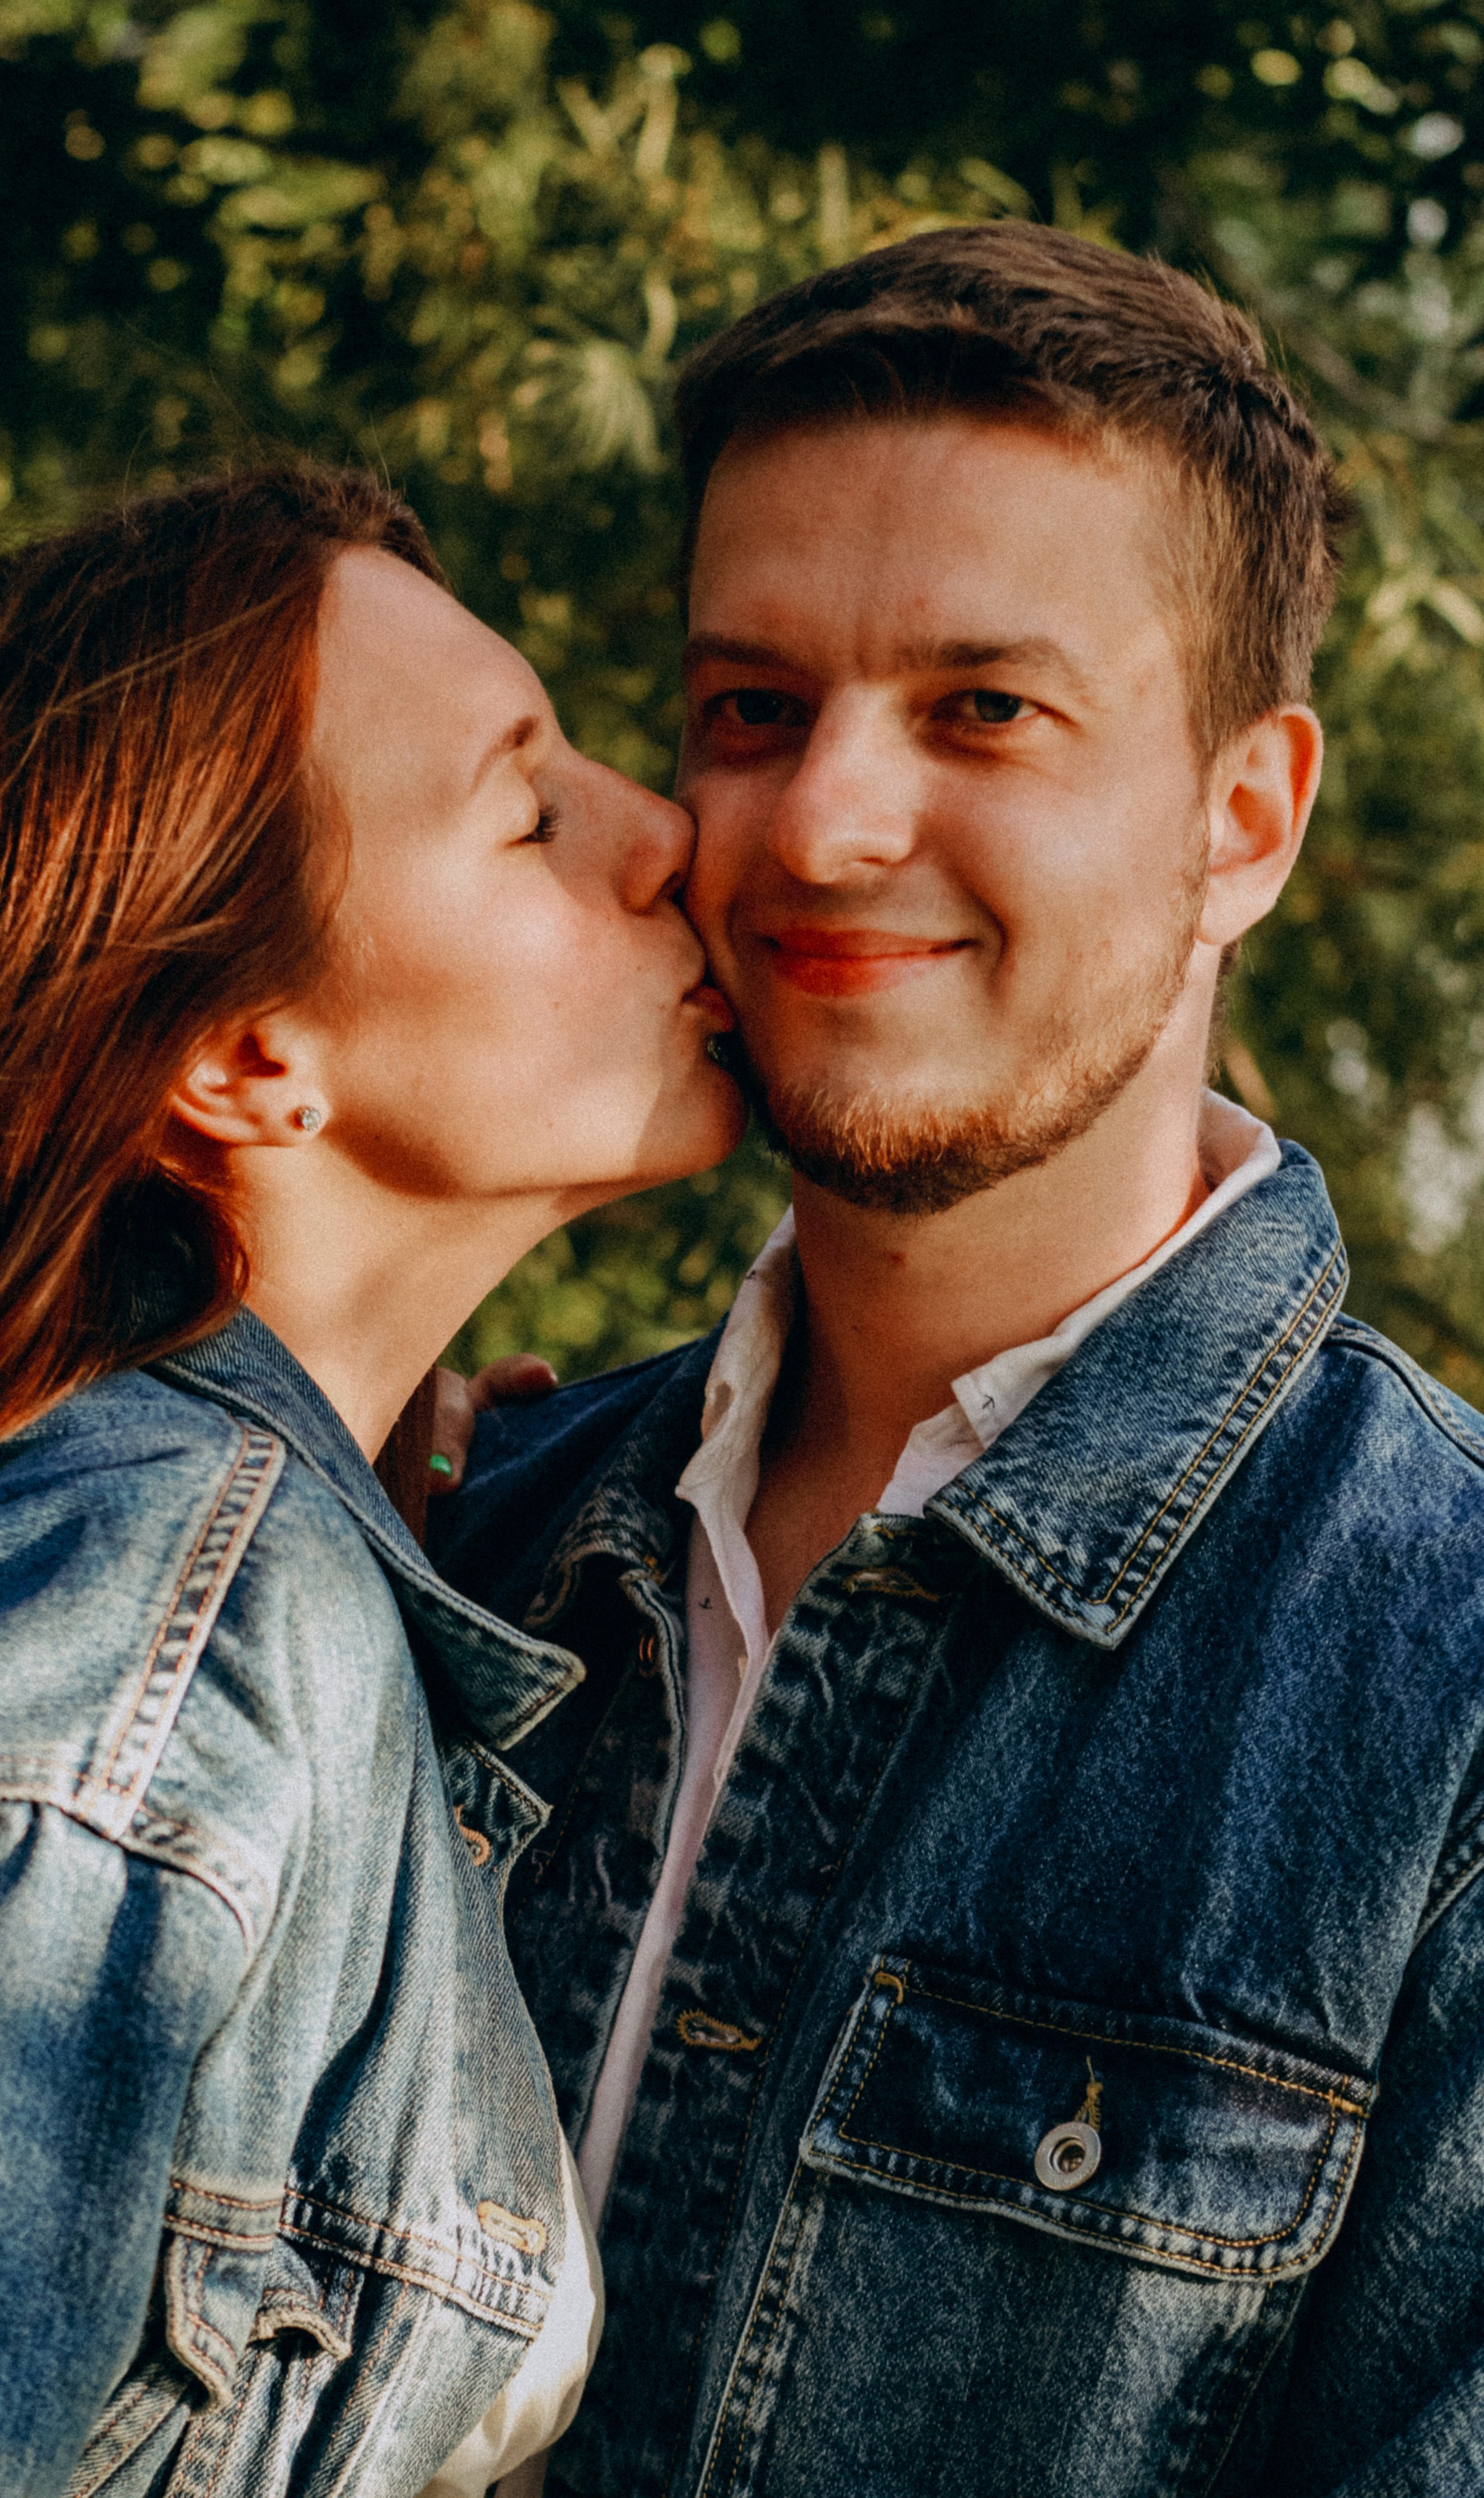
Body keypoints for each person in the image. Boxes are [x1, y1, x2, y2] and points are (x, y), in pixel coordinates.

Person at [429, 227, 1484, 2497]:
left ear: (1248, 819)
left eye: (984, 709)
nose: (821, 825)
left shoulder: (1452, 1699)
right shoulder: (471, 1557)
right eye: (753, 706)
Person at [0, 466, 743, 2496]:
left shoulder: (251, 1584)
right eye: (530, 808)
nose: (664, 829)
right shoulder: (131, 1643)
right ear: (244, 1057)